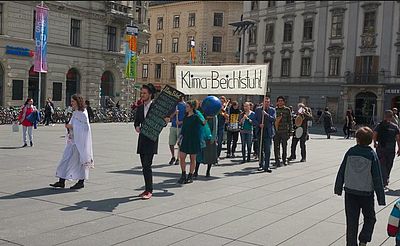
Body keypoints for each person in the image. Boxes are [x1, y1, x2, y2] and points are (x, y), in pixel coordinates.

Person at [334, 126, 385, 246]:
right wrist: (381, 197)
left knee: (351, 222)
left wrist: (338, 187)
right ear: (370, 140)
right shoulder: (372, 154)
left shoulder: (350, 151)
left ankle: (351, 244)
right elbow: (377, 177)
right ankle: (363, 239)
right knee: (370, 218)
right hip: (366, 193)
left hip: (350, 191)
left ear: (357, 139)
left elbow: (342, 170)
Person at [50, 94, 94, 190]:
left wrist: (72, 127)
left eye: (73, 101)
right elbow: (73, 123)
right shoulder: (75, 112)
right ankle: (61, 181)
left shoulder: (82, 113)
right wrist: (69, 126)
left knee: (80, 161)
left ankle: (80, 181)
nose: (71, 103)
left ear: (78, 102)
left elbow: (85, 128)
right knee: (65, 160)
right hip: (73, 141)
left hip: (79, 143)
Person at [134, 83, 161, 200]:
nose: (142, 95)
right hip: (142, 140)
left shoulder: (155, 107)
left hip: (151, 139)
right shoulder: (140, 107)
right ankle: (146, 189)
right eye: (142, 93)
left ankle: (149, 190)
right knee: (144, 166)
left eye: (145, 93)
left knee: (147, 164)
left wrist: (165, 120)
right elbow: (136, 122)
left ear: (150, 94)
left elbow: (161, 122)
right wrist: (136, 127)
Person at [178, 100, 205, 184]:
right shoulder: (185, 116)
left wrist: (206, 118)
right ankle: (183, 174)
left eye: (187, 106)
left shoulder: (196, 117)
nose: (185, 108)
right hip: (186, 139)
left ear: (192, 108)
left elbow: (203, 123)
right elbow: (184, 128)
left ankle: (190, 175)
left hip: (194, 139)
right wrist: (180, 137)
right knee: (182, 157)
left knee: (192, 158)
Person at [373, 110, 400, 188]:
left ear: (384, 116)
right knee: (389, 164)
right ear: (392, 117)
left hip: (381, 147)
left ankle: (384, 179)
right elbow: (398, 138)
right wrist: (399, 148)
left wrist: (375, 143)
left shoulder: (379, 125)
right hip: (391, 148)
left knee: (382, 164)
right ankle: (386, 178)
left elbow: (374, 134)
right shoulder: (395, 127)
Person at [254, 97, 275, 173]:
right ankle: (261, 165)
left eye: (268, 102)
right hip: (260, 132)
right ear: (263, 102)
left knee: (268, 150)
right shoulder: (258, 109)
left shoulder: (272, 110)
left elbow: (273, 119)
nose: (266, 103)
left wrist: (266, 114)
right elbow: (254, 120)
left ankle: (267, 166)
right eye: (265, 102)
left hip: (268, 132)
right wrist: (259, 124)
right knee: (260, 150)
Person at [273, 96, 292, 167]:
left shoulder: (287, 110)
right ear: (277, 102)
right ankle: (277, 160)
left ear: (284, 102)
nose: (280, 102)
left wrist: (290, 131)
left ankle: (284, 160)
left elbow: (290, 121)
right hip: (276, 132)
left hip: (284, 131)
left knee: (284, 146)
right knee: (276, 147)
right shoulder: (274, 110)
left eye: (281, 101)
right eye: (279, 101)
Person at [168, 96, 186, 165]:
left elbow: (187, 116)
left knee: (179, 144)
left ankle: (178, 158)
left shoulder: (185, 105)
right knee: (171, 143)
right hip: (173, 126)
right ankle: (173, 156)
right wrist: (175, 113)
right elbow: (170, 116)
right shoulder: (174, 105)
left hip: (181, 127)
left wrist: (181, 122)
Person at [217, 96, 229, 162]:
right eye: (220, 101)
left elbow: (227, 118)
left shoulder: (225, 108)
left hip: (221, 126)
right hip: (215, 125)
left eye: (222, 101)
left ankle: (217, 156)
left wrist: (224, 114)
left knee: (219, 142)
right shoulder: (216, 107)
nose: (221, 102)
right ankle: (213, 156)